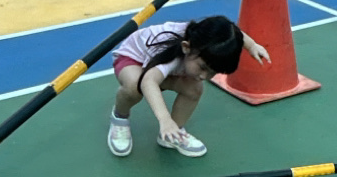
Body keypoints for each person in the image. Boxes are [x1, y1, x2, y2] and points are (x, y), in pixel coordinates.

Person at [108, 15, 270, 157]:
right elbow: (148, 81)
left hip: (163, 67)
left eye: (212, 72)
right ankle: (120, 117)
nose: (204, 76)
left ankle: (173, 134)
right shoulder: (171, 50)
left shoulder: (203, 43)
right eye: (202, 68)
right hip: (134, 59)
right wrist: (164, 119)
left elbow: (232, 32)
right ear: (186, 47)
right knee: (134, 86)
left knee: (194, 88)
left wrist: (252, 46)